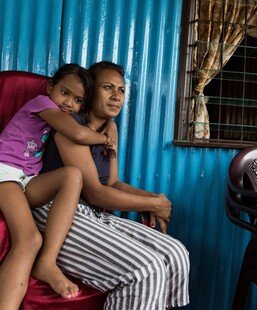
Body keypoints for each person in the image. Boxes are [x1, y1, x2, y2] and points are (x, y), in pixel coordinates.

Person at [33, 61, 190, 309]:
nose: (116, 96)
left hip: (92, 215)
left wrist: (155, 200)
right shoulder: (71, 129)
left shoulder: (109, 131)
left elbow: (113, 183)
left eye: (121, 90)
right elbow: (95, 192)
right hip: (58, 214)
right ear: (90, 91)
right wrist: (153, 203)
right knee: (145, 268)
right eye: (108, 87)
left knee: (175, 254)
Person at [0, 63, 115, 309]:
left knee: (73, 175)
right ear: (51, 88)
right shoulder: (42, 104)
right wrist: (107, 139)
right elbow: (80, 135)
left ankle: (47, 261)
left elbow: (87, 125)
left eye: (77, 100)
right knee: (29, 239)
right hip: (4, 171)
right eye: (64, 92)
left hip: (27, 179)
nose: (68, 103)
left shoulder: (63, 114)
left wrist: (110, 124)